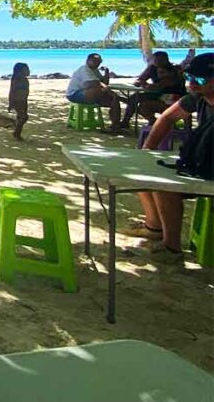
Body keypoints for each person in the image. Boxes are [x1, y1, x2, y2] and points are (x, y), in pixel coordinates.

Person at [129, 53, 214, 263]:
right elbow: (167, 118)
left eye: (200, 79)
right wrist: (148, 149)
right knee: (142, 169)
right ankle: (154, 227)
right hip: (204, 163)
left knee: (163, 183)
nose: (192, 83)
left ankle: (172, 248)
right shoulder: (197, 98)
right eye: (190, 77)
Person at [119, 51, 186, 128]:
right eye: (155, 60)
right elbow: (139, 79)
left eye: (160, 60)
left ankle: (157, 124)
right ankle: (126, 122)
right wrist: (141, 82)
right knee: (133, 98)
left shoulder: (174, 69)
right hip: (158, 94)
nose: (157, 63)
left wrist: (146, 85)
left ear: (167, 60)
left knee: (142, 105)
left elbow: (159, 86)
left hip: (174, 96)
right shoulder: (152, 68)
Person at [66, 52, 122, 130]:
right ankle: (107, 99)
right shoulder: (84, 69)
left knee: (114, 100)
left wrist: (106, 71)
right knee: (99, 90)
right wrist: (105, 88)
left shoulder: (95, 70)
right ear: (88, 61)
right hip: (74, 94)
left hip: (89, 94)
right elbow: (91, 83)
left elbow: (104, 82)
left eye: (99, 62)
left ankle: (115, 125)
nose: (97, 64)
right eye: (94, 61)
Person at [8, 63, 30, 140]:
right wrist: (10, 103)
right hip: (18, 101)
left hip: (24, 101)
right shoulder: (17, 79)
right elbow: (12, 91)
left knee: (22, 116)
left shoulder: (24, 79)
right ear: (20, 71)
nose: (29, 71)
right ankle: (16, 132)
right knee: (24, 117)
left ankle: (17, 131)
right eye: (26, 69)